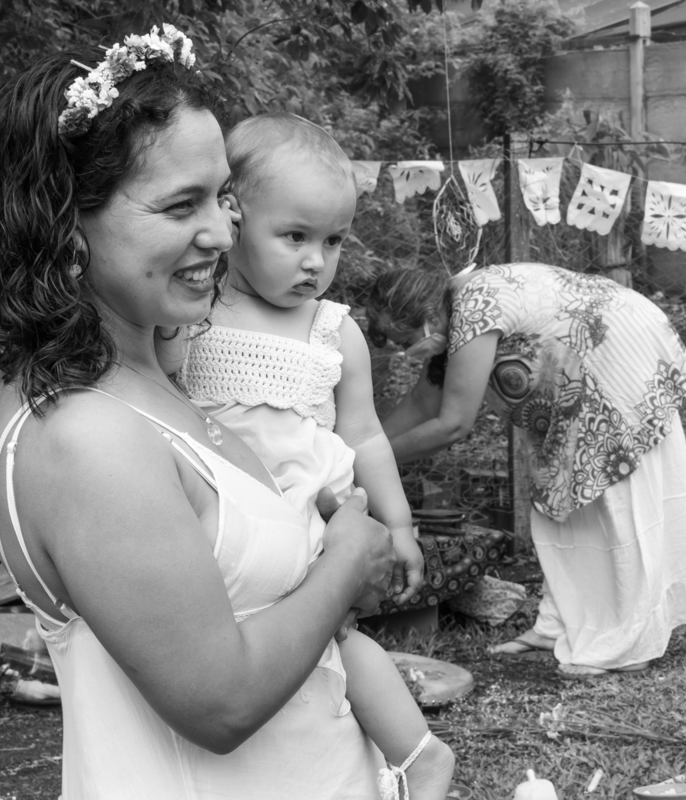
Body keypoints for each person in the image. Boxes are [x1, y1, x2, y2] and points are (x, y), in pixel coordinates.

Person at [0, 28, 406, 798]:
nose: (222, 232)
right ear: (66, 221)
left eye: (222, 196)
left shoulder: (163, 374)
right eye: (181, 204)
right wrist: (348, 558)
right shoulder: (83, 434)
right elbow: (219, 702)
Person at [173, 111, 452, 799]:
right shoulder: (189, 314)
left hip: (315, 525)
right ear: (232, 218)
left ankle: (418, 752)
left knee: (340, 641)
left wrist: (400, 524)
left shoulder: (333, 332)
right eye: (294, 236)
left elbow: (365, 436)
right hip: (227, 530)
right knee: (244, 654)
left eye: (332, 242)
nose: (314, 262)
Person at [361, 263, 686, 678]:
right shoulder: (454, 315)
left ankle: (629, 642)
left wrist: (367, 462)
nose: (408, 352)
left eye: (407, 341)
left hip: (616, 355)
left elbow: (452, 424)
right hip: (579, 369)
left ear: (429, 315)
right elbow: (422, 405)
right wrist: (355, 449)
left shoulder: (475, 308)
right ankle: (562, 625)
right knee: (566, 504)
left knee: (618, 504)